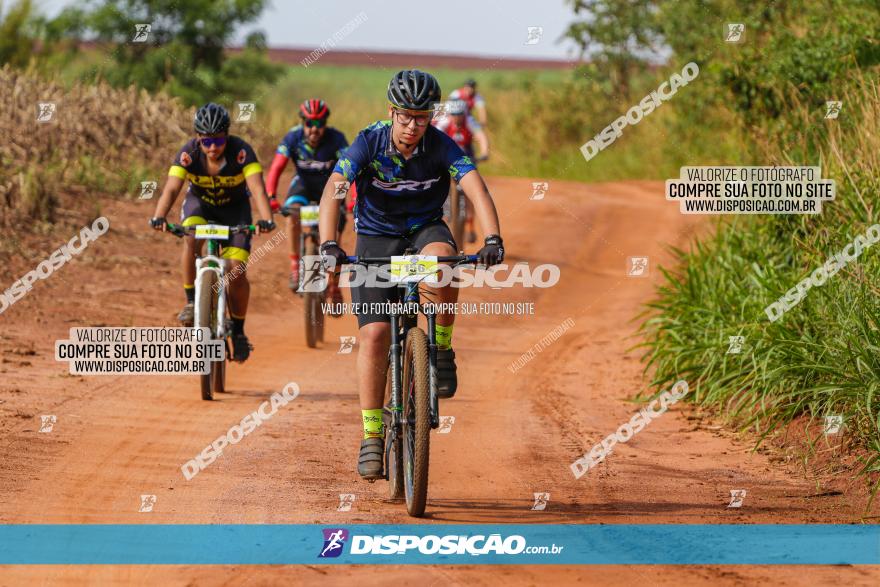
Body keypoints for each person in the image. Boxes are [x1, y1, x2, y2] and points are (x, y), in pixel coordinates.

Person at [317, 70, 504, 480]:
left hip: (423, 231)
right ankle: (371, 435)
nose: (412, 126)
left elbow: (476, 188)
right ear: (392, 112)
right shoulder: (369, 141)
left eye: (421, 117)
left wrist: (492, 238)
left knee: (444, 263)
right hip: (376, 238)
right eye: (405, 116)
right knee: (374, 335)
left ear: (430, 116)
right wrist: (328, 242)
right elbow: (334, 188)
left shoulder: (440, 144)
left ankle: (440, 348)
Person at [149, 103, 275, 362]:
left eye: (218, 140)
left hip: (235, 212)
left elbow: (258, 188)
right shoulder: (188, 154)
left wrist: (266, 218)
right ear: (198, 138)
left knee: (236, 269)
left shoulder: (242, 152)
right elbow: (172, 188)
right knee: (191, 237)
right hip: (200, 206)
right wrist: (159, 215)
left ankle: (238, 332)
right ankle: (191, 301)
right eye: (206, 141)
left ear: (227, 135)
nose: (213, 147)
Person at [265, 99, 349, 305]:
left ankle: (334, 284)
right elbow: (276, 168)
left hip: (331, 187)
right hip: (302, 184)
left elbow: (350, 168)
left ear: (326, 124)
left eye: (320, 124)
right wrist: (271, 197)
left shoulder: (337, 139)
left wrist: (352, 201)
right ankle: (295, 267)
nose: (314, 129)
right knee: (292, 213)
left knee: (334, 231)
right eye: (310, 123)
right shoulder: (292, 138)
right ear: (302, 123)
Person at [433, 99, 489, 243]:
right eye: (454, 114)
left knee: (473, 191)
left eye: (459, 114)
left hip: (465, 160)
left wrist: (484, 151)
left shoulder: (469, 121)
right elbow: (434, 137)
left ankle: (470, 226)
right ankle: (443, 220)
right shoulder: (444, 122)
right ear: (449, 114)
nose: (457, 118)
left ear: (464, 114)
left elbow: (481, 136)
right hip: (447, 160)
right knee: (439, 185)